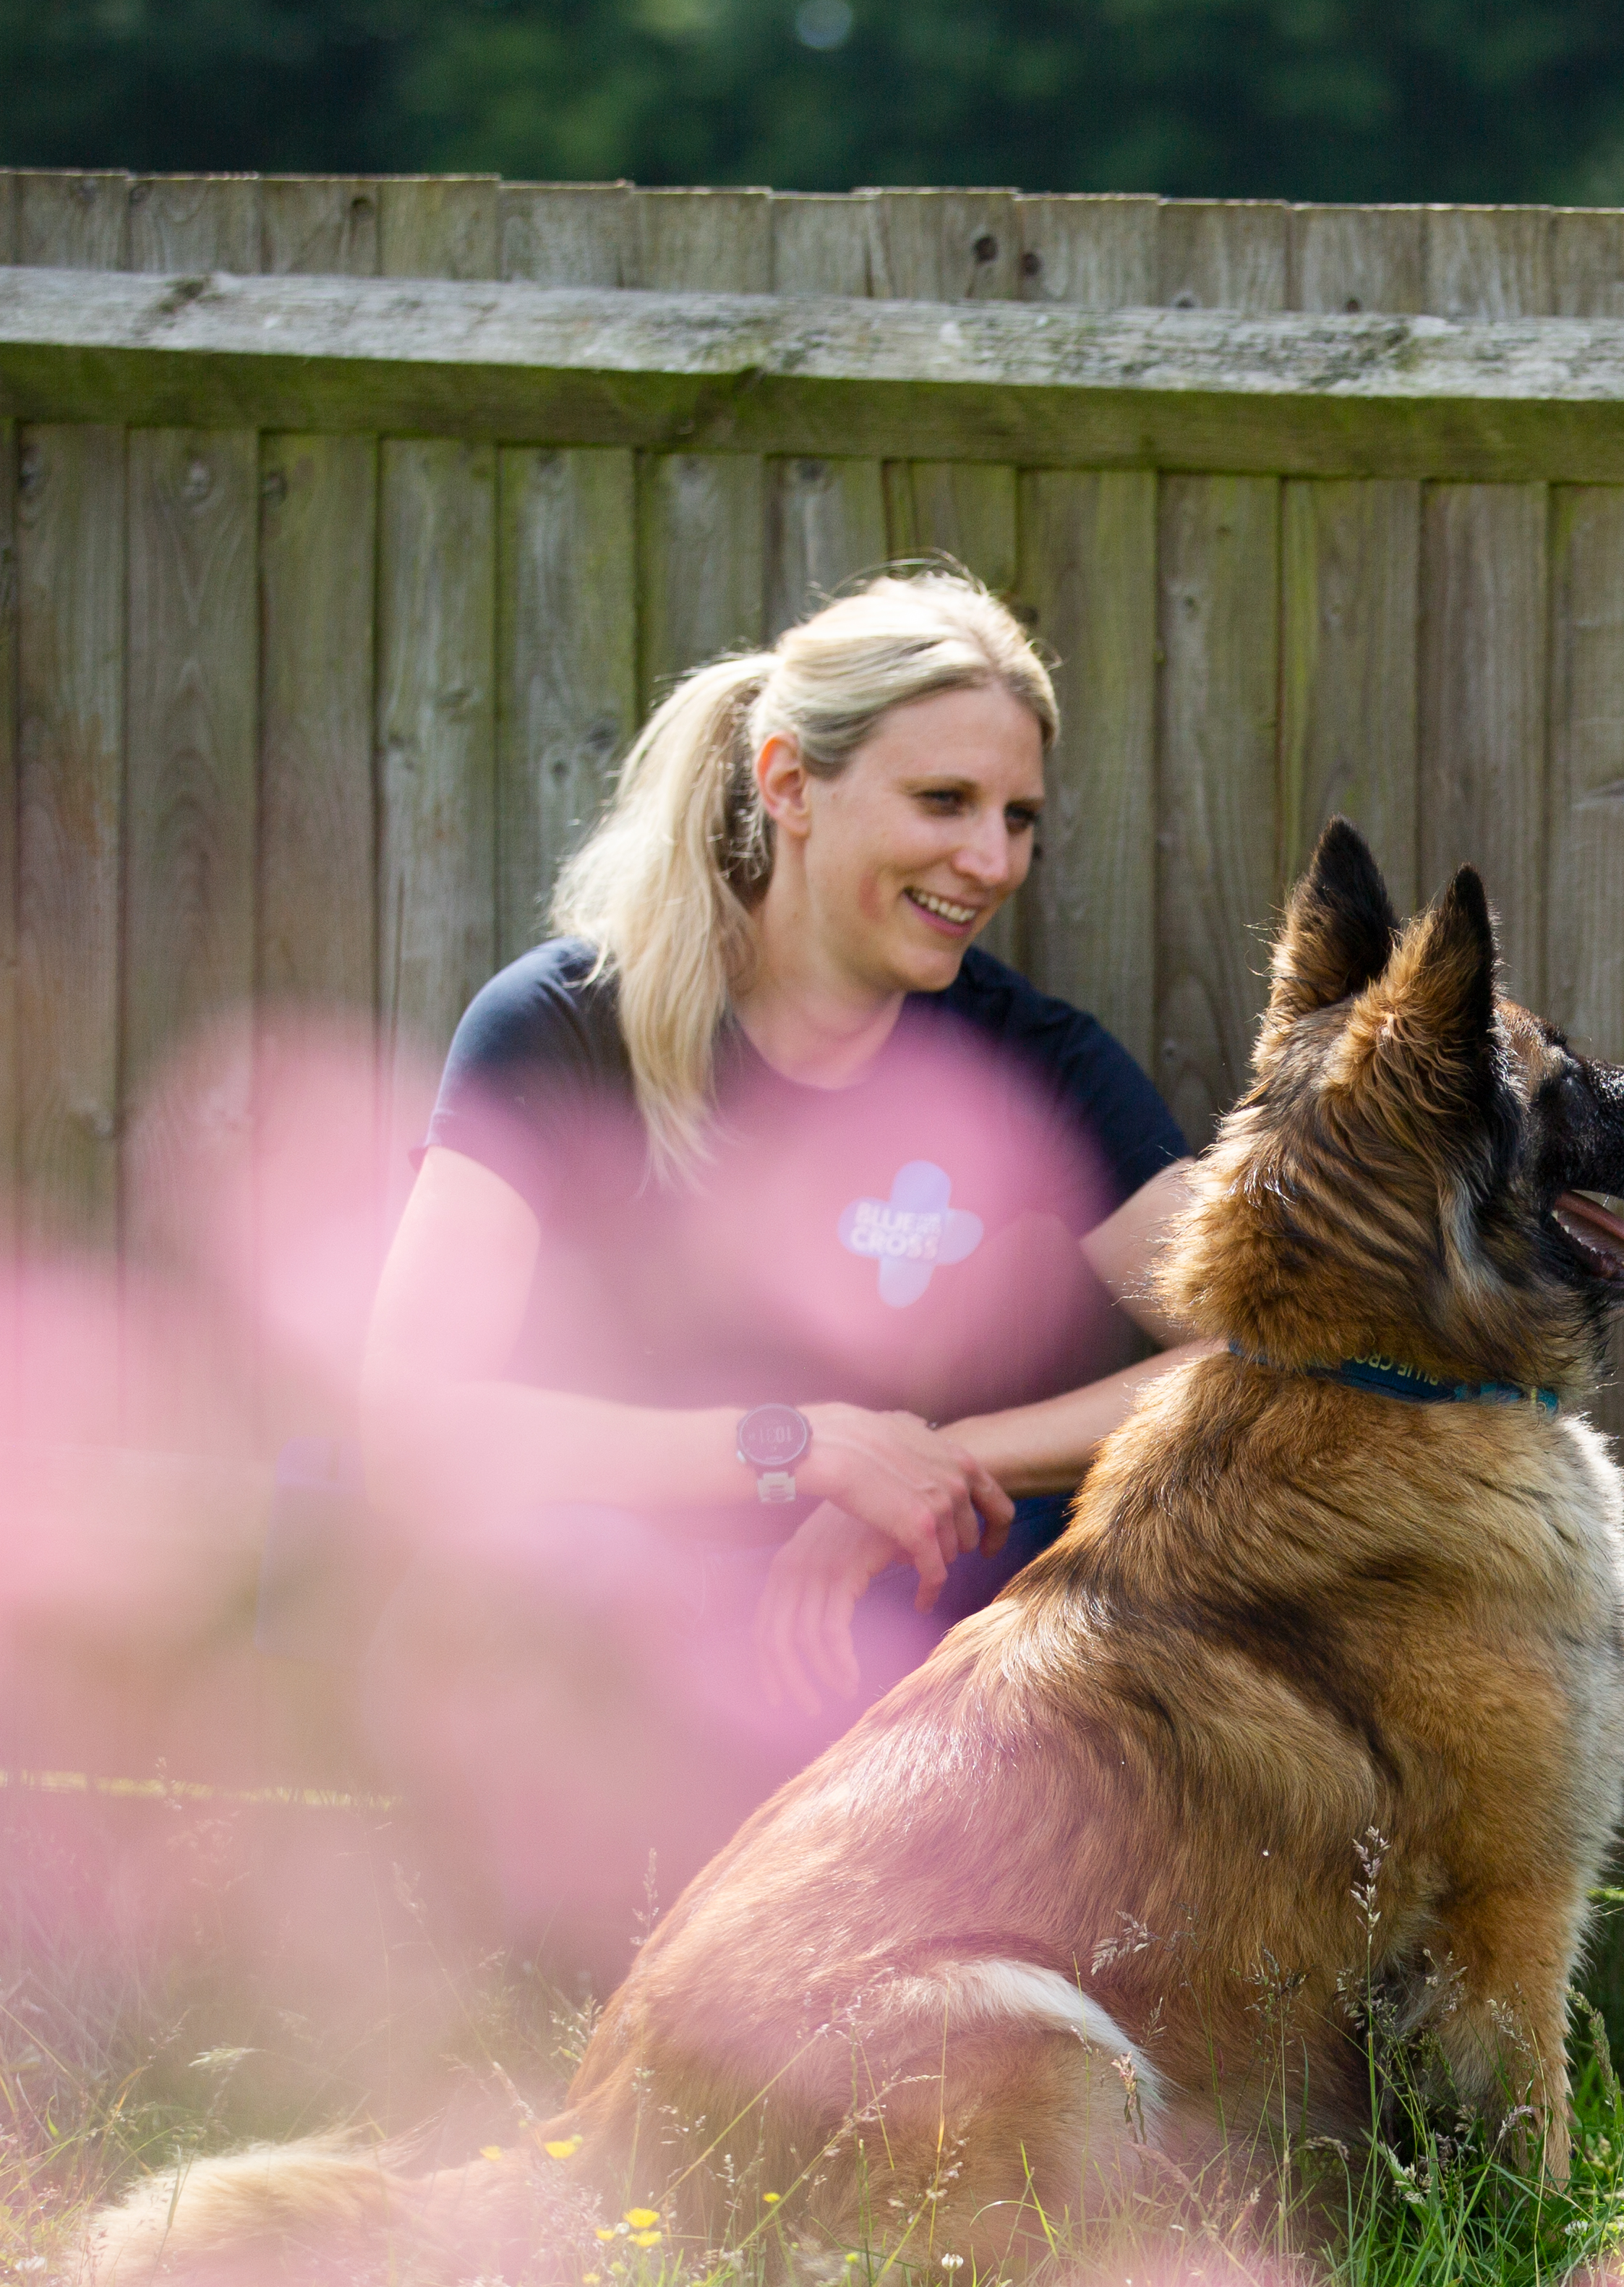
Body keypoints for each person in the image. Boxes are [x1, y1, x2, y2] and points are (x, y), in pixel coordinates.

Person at [356, 570, 1209, 1959]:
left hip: (898, 1659)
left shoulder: (1036, 1062)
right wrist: (798, 1447)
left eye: (1018, 820)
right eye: (944, 804)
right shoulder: (565, 1031)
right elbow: (412, 1419)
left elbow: (1261, 1346)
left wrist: (935, 1456)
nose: (992, 861)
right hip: (605, 1639)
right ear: (789, 785)